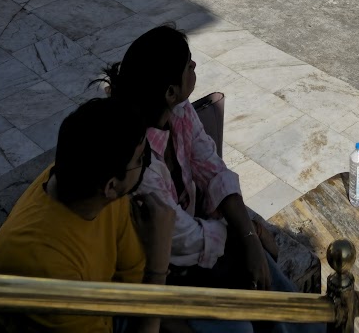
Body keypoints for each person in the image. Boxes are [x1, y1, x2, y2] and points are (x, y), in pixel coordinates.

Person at [104, 27, 322, 333]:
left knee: (274, 284)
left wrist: (248, 236)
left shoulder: (178, 112)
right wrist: (245, 235)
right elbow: (181, 238)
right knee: (240, 326)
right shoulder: (137, 160)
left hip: (200, 247)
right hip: (162, 272)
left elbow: (213, 168)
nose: (194, 68)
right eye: (188, 65)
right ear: (169, 91)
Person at [0, 98, 175, 333]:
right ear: (111, 185)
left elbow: (133, 279)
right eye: (140, 159)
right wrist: (159, 266)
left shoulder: (92, 187)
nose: (145, 165)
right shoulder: (44, 270)